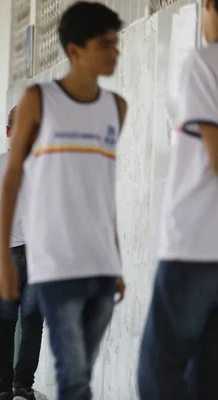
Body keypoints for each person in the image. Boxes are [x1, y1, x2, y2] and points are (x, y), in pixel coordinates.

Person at [0, 3, 127, 400]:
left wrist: (116, 258)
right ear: (75, 50)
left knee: (80, 370)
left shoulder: (116, 108)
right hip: (56, 263)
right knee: (73, 375)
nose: (115, 53)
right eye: (105, 44)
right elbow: (12, 178)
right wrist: (4, 256)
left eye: (116, 44)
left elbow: (103, 191)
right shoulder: (39, 99)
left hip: (101, 265)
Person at [138, 1, 218, 398]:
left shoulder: (203, 63)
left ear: (207, 7)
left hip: (196, 245)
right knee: (207, 375)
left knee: (159, 372)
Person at [0, 107, 43, 400]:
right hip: (43, 252)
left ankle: (3, 388)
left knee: (5, 321)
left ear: (8, 132)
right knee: (33, 320)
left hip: (8, 251)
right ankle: (24, 386)